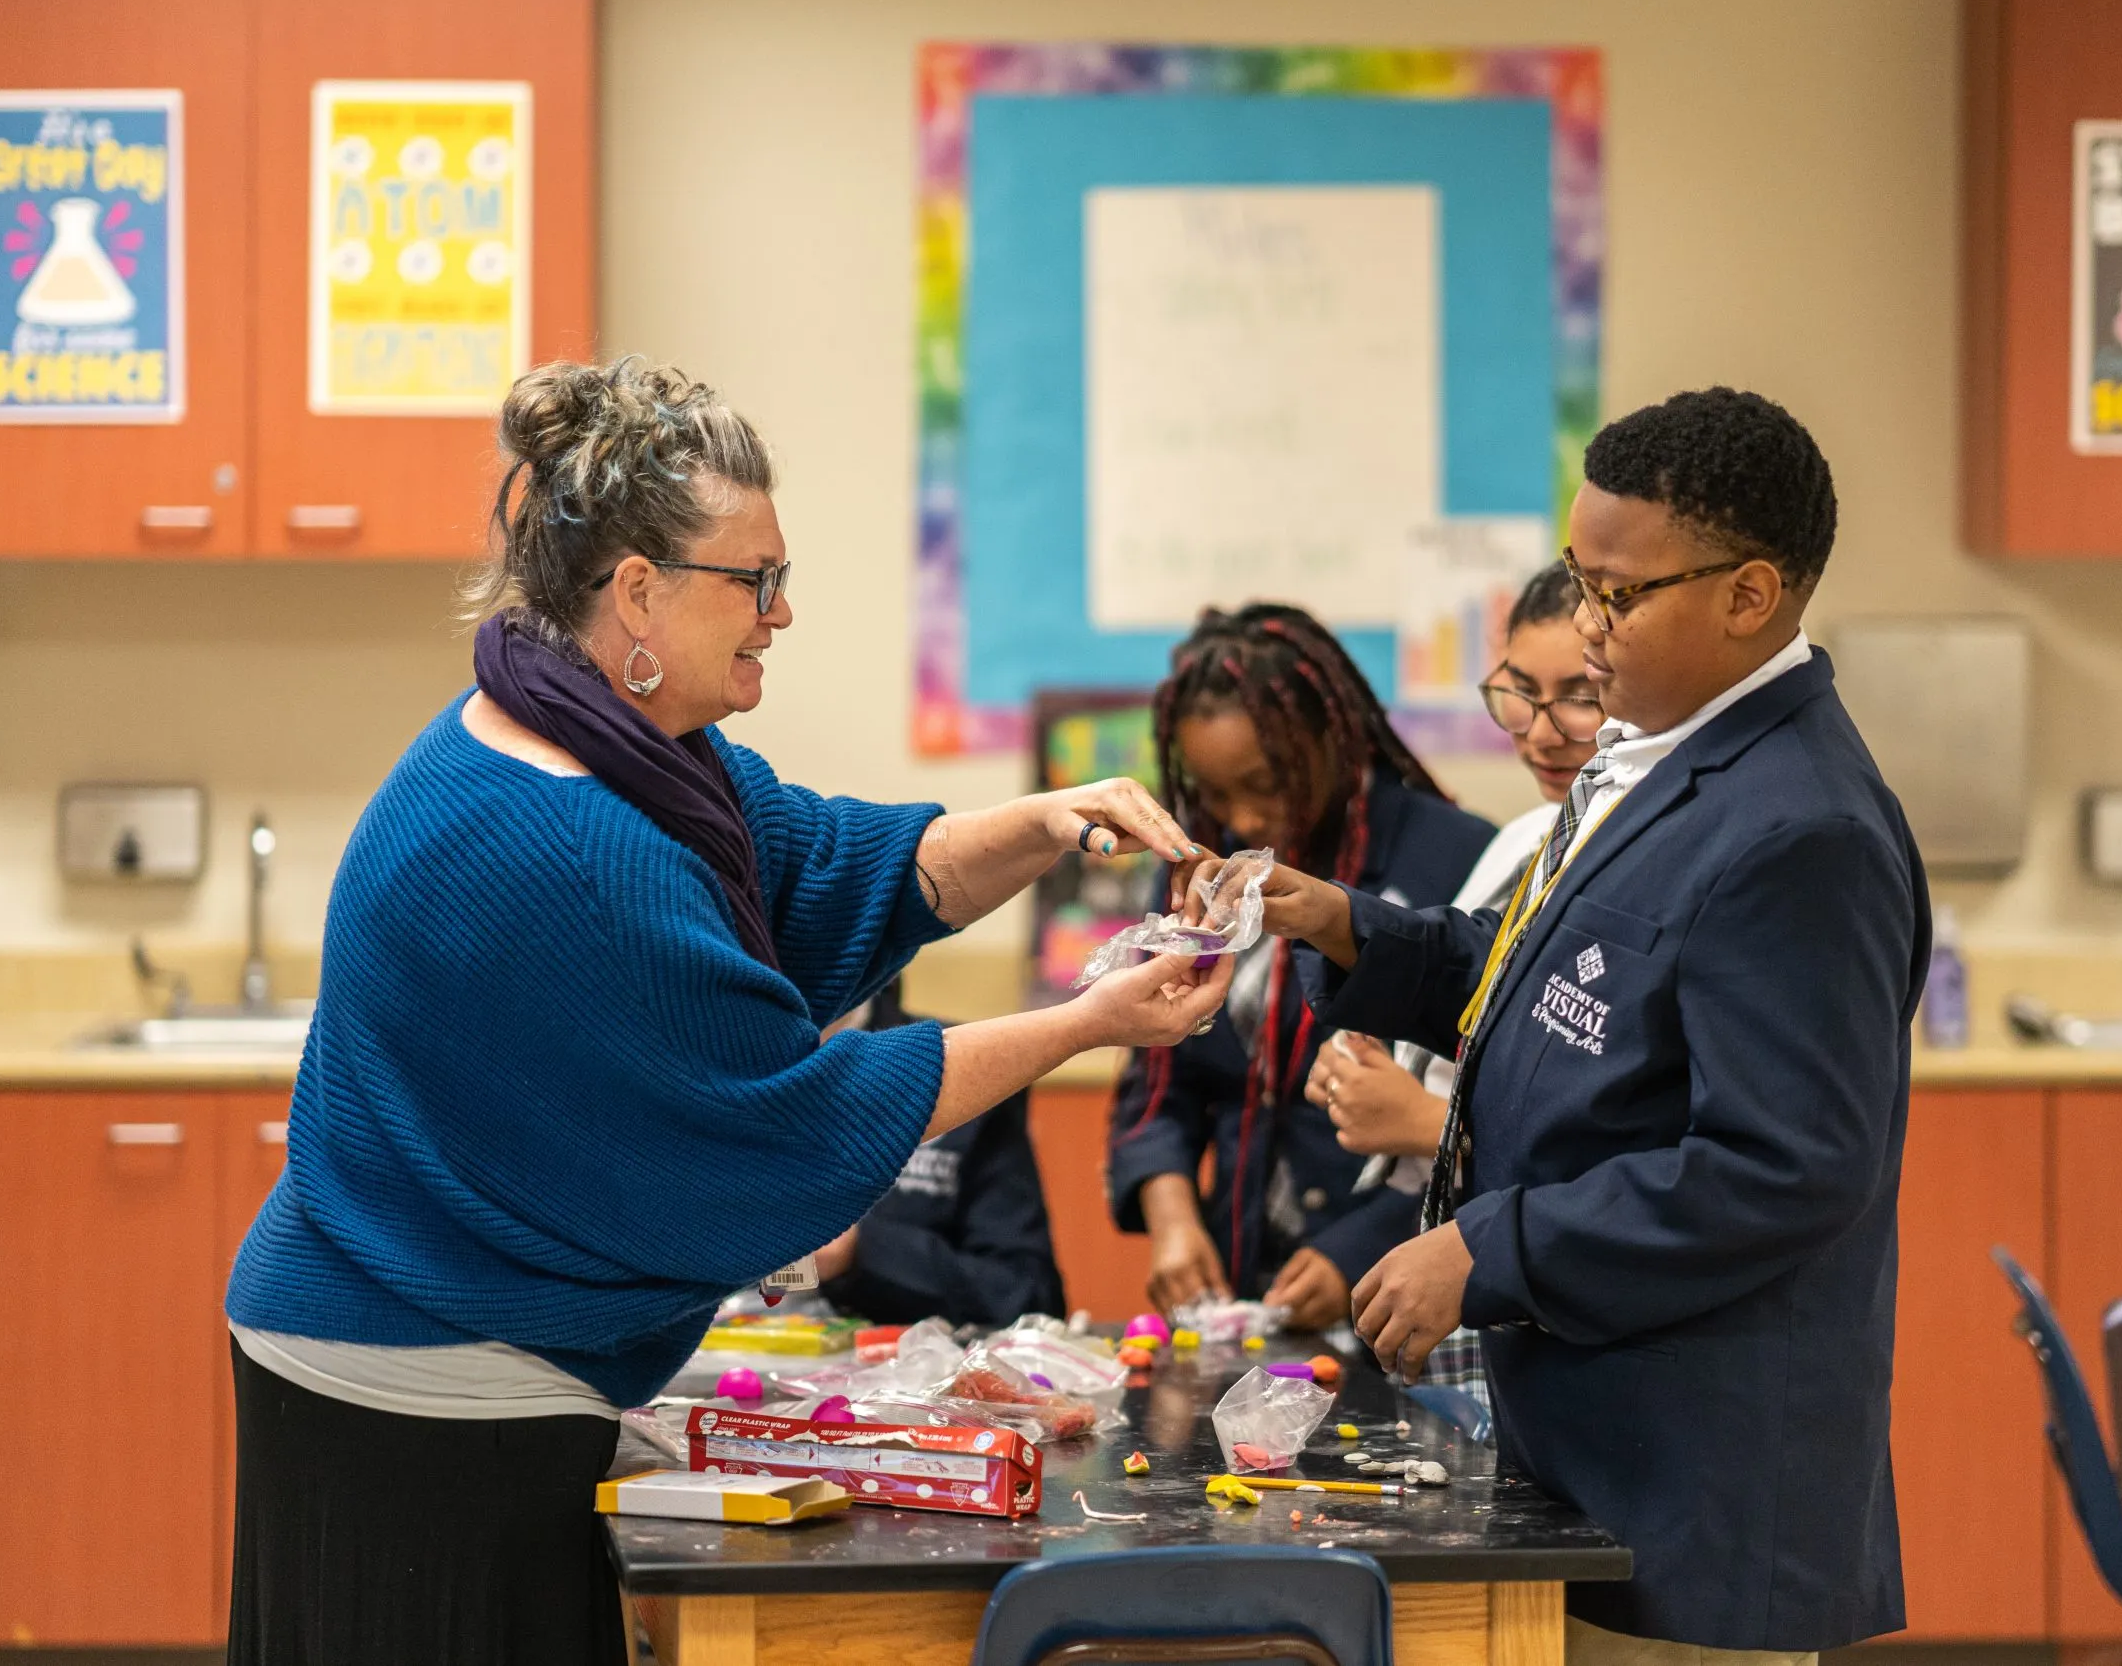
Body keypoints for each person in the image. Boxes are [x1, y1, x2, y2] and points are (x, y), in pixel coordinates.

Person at [222, 358, 1231, 1666]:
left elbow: (821, 865)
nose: (782, 611)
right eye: (752, 581)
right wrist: (1089, 1020)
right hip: (417, 1378)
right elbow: (780, 1122)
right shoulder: (576, 840)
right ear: (637, 587)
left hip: (418, 1331)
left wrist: (1046, 822)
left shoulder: (605, 739)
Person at [1253, 388, 1928, 1664]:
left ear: (1750, 595)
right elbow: (1541, 985)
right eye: (1580, 577)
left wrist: (1484, 1249)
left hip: (1702, 1484)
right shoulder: (1663, 759)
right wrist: (1349, 926)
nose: (1591, 627)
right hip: (1597, 1440)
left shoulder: (1805, 832)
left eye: (1620, 596)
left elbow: (1781, 1169)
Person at [1108, 604, 1496, 1329]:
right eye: (1218, 794)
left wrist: (1360, 1246)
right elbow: (1159, 1076)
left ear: (1333, 736)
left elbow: (1481, 1111)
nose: (1246, 820)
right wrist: (1171, 1216)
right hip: (1243, 1274)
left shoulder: (1460, 858)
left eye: (1266, 782)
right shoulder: (1202, 867)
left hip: (1405, 1281)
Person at [1300, 558, 1603, 1420]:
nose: (1541, 731)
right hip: (1452, 1275)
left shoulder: (1634, 857)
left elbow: (1618, 1129)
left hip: (1535, 1279)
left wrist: (1428, 1127)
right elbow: (1471, 1006)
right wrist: (1366, 1057)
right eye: (1518, 692)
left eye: (1577, 695)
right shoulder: (1522, 841)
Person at [808, 975, 1067, 1328]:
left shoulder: (956, 1067)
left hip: (889, 1365)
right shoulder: (711, 1067)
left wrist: (860, 1252)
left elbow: (1028, 1296)